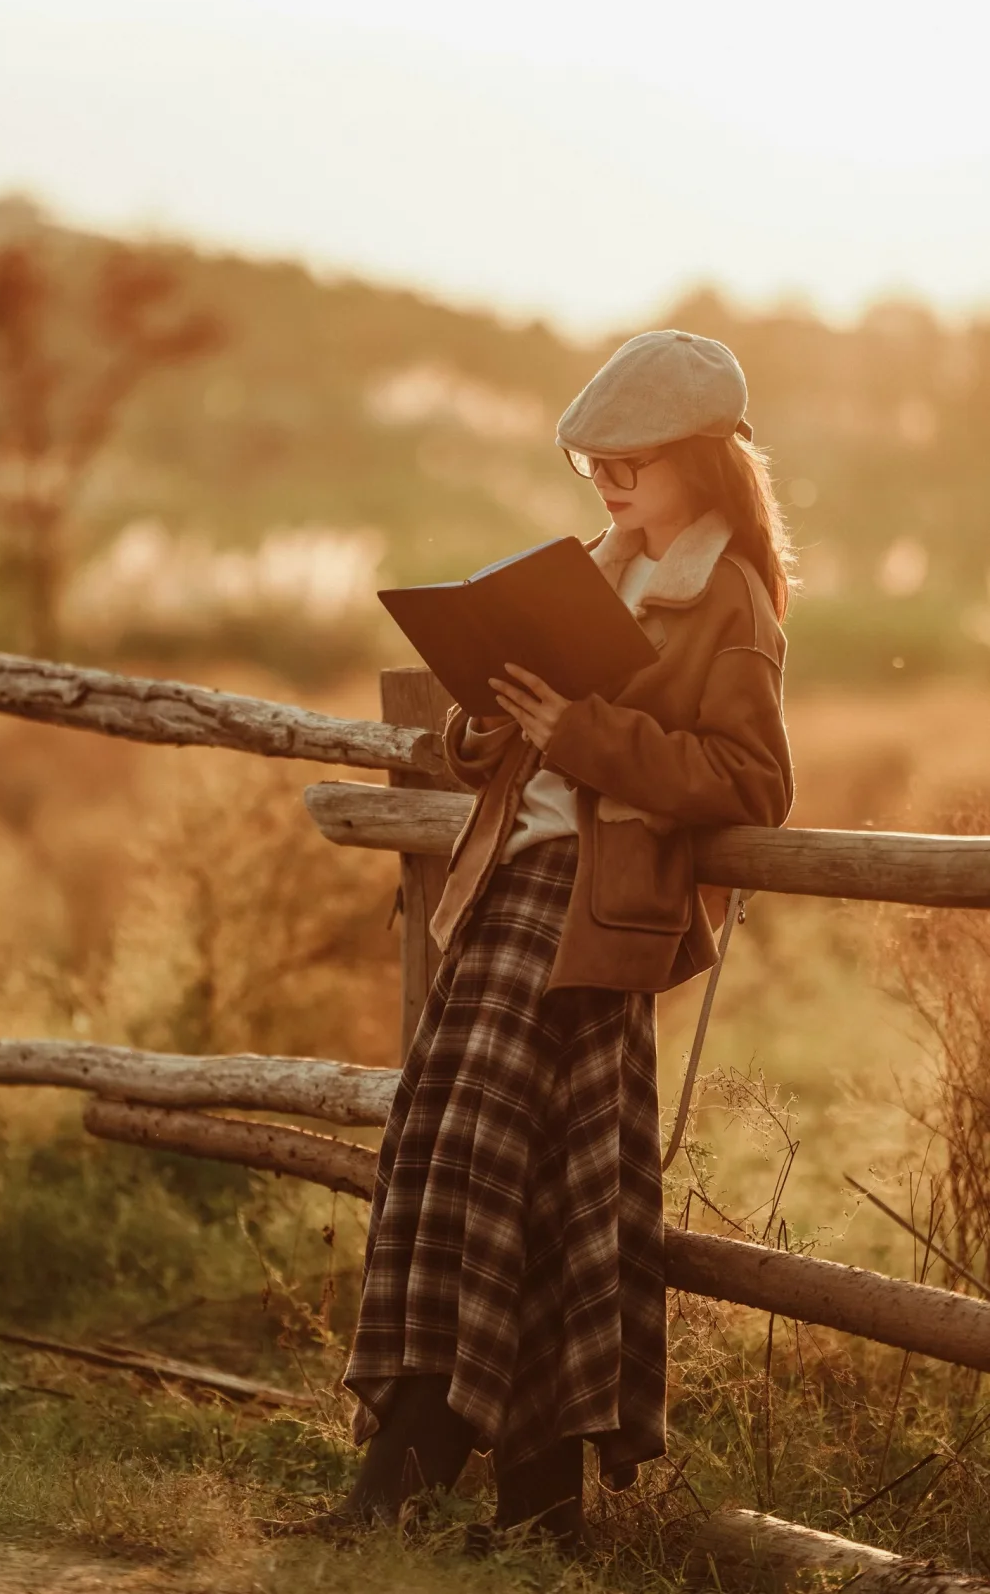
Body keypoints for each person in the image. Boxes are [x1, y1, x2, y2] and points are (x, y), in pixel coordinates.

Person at [285, 329, 795, 1555]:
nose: (608, 485)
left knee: (493, 1178)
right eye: (594, 466)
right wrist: (486, 724)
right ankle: (529, 1510)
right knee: (476, 1178)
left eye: (630, 462)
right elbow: (528, 746)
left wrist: (579, 734)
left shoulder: (728, 596)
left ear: (702, 462)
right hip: (511, 898)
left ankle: (415, 1484)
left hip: (590, 918)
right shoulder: (596, 571)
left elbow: (751, 779)